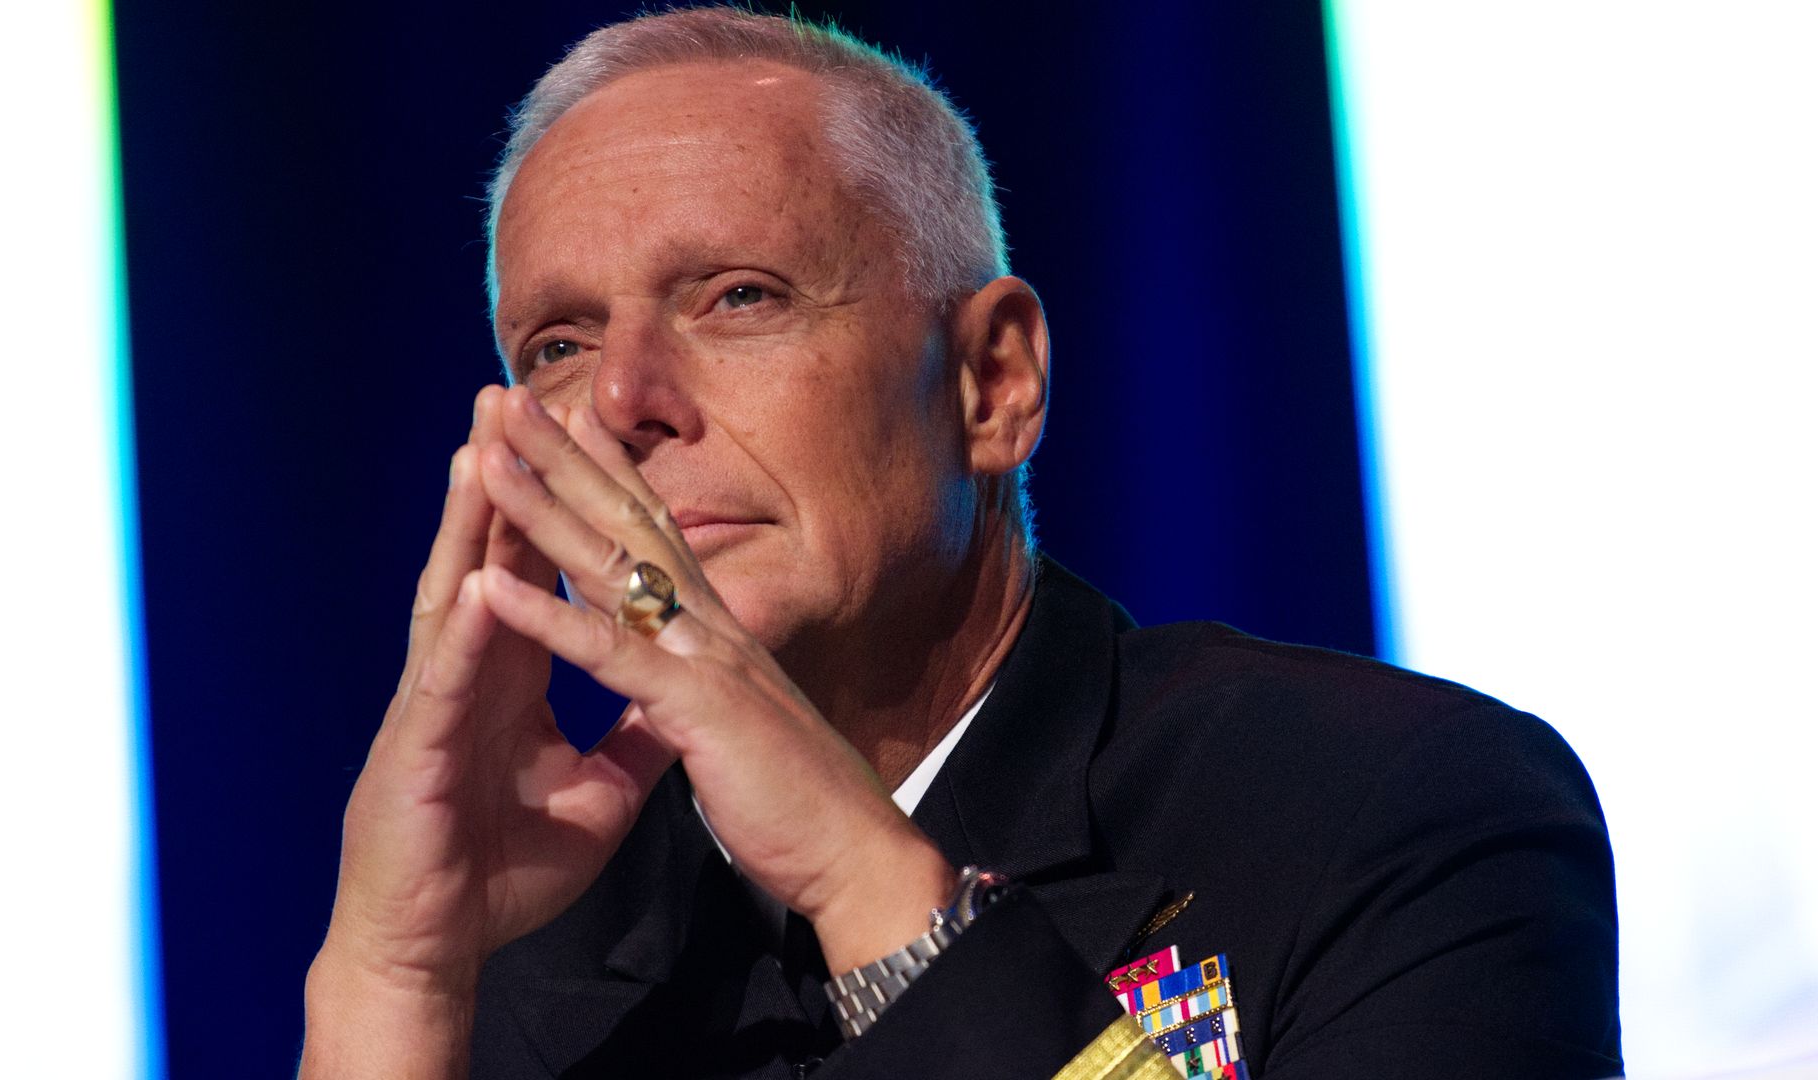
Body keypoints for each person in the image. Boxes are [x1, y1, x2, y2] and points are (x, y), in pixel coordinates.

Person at [300, 8, 1621, 1078]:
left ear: (993, 383)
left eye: (739, 296)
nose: (626, 398)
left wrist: (853, 865)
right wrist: (391, 968)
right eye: (559, 347)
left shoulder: (1392, 810)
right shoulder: (515, 957)